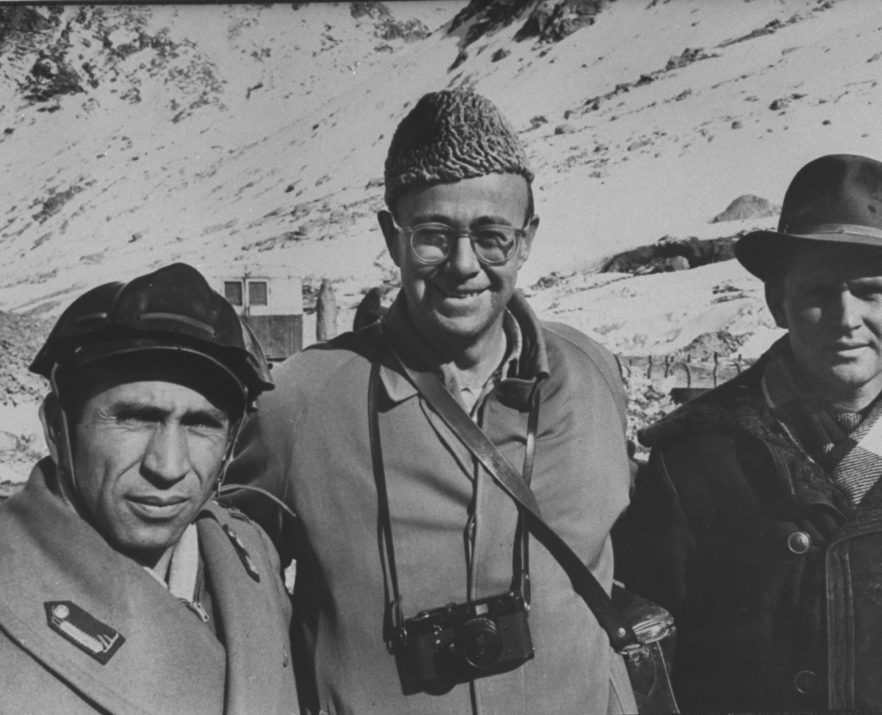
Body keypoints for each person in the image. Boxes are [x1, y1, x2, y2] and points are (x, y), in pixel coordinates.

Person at [226, 89, 636, 713]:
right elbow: (228, 591)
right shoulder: (301, 403)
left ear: (526, 241)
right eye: (433, 235)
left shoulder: (593, 377)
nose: (463, 264)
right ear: (393, 238)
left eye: (492, 235)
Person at [615, 154, 882, 710]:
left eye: (870, 291)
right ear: (777, 303)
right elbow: (660, 669)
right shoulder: (692, 462)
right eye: (817, 292)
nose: (845, 316)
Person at [0, 263, 299, 713]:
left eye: (201, 425)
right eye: (135, 418)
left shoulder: (249, 557)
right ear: (58, 429)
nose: (168, 466)